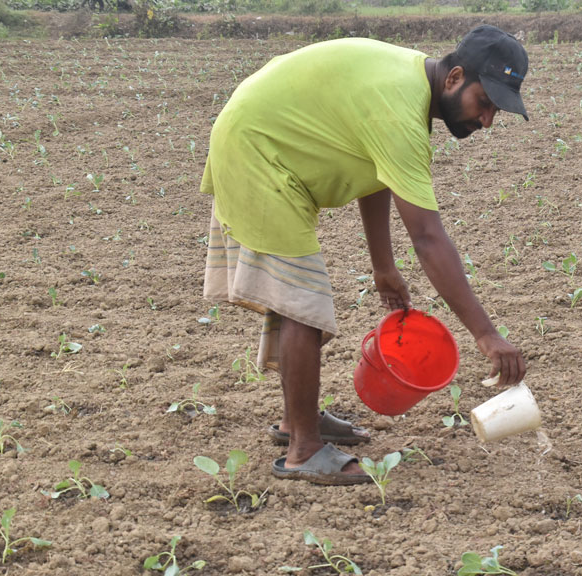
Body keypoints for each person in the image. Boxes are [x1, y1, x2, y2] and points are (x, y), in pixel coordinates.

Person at [201, 25, 528, 485]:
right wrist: (487, 335)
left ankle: (299, 421)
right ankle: (303, 450)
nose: (488, 120)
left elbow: (374, 173)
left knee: (302, 300)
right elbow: (429, 238)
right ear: (454, 78)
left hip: (260, 144)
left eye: (497, 110)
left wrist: (383, 266)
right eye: (486, 103)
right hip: (257, 156)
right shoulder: (399, 107)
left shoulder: (409, 85)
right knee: (304, 305)